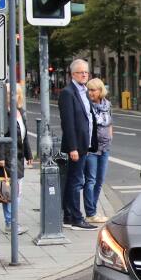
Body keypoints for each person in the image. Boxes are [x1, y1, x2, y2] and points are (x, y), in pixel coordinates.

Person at [58, 58, 94, 230]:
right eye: (81, 72)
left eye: (86, 72)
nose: (85, 74)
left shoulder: (84, 91)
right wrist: (72, 147)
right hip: (76, 146)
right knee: (76, 180)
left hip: (84, 144)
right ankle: (75, 218)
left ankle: (68, 215)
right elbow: (68, 123)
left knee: (75, 179)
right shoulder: (68, 93)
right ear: (73, 74)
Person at [0, 88, 32, 235]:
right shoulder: (3, 113)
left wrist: (29, 154)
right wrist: (0, 158)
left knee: (16, 191)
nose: (13, 96)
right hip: (7, 158)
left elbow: (24, 136)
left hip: (18, 156)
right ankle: (10, 222)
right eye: (10, 93)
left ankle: (12, 221)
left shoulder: (19, 111)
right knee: (9, 191)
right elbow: (0, 137)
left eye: (16, 93)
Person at [83, 78, 113, 224]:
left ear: (101, 91)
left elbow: (110, 122)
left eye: (93, 90)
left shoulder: (107, 105)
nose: (90, 93)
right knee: (90, 180)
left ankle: (93, 210)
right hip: (92, 148)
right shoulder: (87, 106)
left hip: (105, 147)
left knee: (99, 180)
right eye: (89, 90)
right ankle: (90, 212)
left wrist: (110, 137)